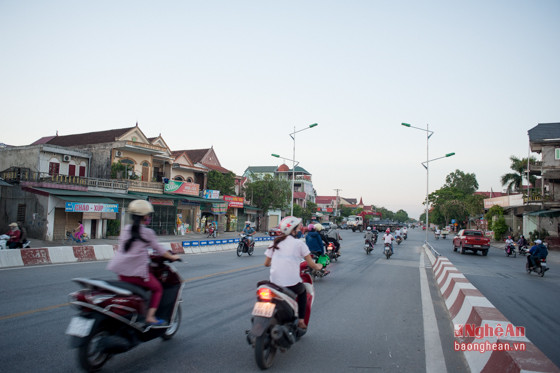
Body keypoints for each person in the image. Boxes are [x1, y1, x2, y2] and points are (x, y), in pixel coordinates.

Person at [107, 200, 180, 326]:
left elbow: (133, 248)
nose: (149, 217)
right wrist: (173, 257)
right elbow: (160, 249)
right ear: (145, 216)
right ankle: (150, 317)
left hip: (121, 272)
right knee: (157, 289)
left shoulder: (126, 229)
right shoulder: (147, 232)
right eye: (149, 215)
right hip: (137, 273)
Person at [264, 216, 323, 329]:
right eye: (298, 228)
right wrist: (318, 266)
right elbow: (311, 264)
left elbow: (266, 263)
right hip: (291, 284)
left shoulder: (275, 242)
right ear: (293, 230)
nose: (300, 230)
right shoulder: (299, 244)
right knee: (302, 293)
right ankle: (301, 320)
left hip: (274, 284)